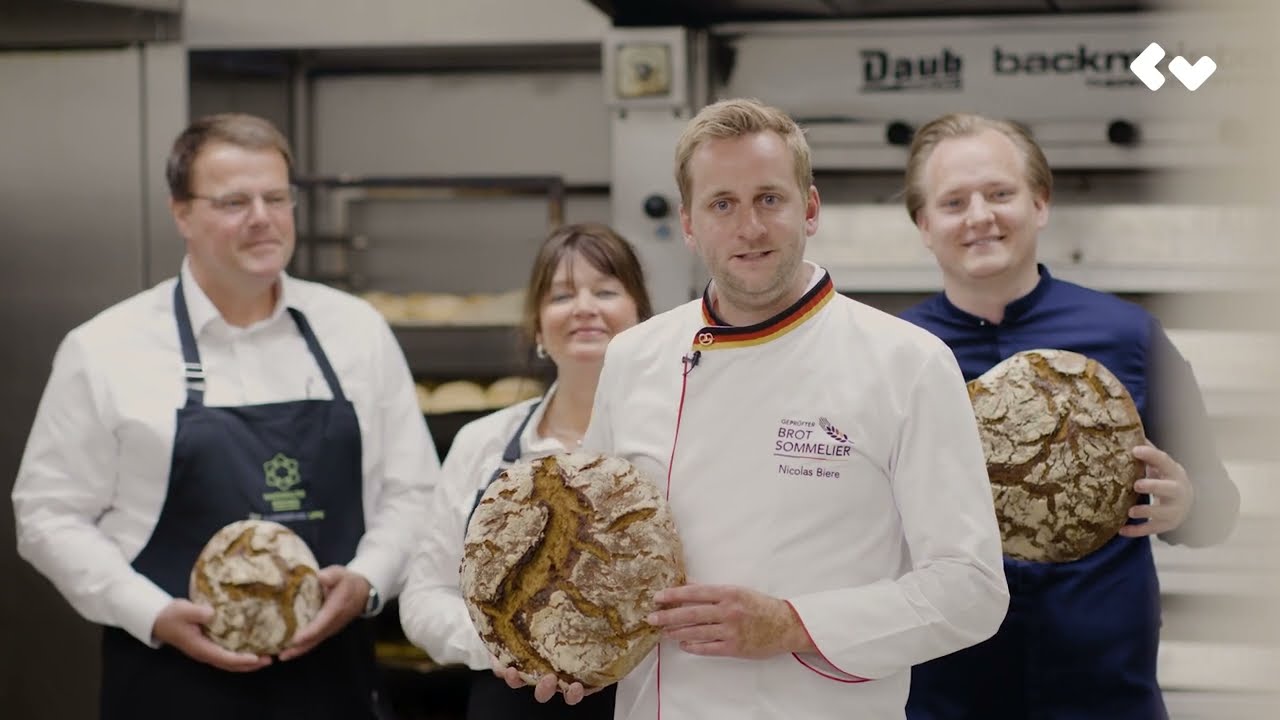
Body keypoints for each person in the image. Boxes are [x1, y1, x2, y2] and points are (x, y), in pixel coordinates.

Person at [502, 97, 1010, 718]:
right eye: (723, 204)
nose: (750, 227)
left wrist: (792, 624)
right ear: (689, 223)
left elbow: (971, 589)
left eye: (770, 198)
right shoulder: (635, 357)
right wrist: (565, 647)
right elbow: (592, 549)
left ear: (810, 208)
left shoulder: (908, 363)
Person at [12, 113, 439, 720]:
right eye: (234, 201)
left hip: (331, 683)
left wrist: (368, 581)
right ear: (181, 213)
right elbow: (47, 513)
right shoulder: (106, 348)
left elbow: (416, 491)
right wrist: (149, 611)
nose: (262, 217)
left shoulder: (355, 331)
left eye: (275, 197)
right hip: (169, 684)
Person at [898, 112, 1241, 720]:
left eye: (1000, 193)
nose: (980, 216)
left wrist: (1187, 503)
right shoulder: (895, 355)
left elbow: (1218, 503)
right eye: (953, 202)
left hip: (1105, 694)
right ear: (925, 225)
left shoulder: (1127, 335)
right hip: (946, 696)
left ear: (1040, 202)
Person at [399, 222, 653, 719]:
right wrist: (503, 648)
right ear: (537, 327)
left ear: (642, 318)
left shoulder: (670, 447)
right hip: (510, 699)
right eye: (561, 296)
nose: (584, 307)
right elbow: (424, 597)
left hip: (645, 700)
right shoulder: (484, 444)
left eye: (605, 290)